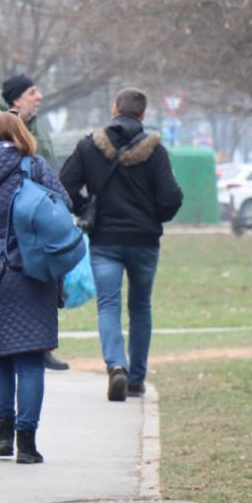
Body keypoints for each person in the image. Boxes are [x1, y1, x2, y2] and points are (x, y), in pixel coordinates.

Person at [0, 112, 72, 464]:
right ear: (20, 133)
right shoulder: (34, 165)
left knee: (1, 357)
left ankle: (2, 437)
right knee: (31, 360)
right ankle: (27, 443)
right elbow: (64, 208)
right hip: (31, 268)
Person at [59, 88, 184, 402]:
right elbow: (171, 197)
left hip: (105, 240)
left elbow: (64, 185)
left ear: (114, 110)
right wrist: (154, 215)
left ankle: (117, 366)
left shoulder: (89, 147)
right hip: (144, 241)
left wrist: (84, 207)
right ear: (142, 115)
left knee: (108, 306)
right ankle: (137, 379)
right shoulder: (156, 151)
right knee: (140, 307)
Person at [0, 74, 68, 372]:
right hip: (15, 223)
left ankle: (43, 345)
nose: (40, 97)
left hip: (43, 217)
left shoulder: (36, 126)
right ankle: (18, 347)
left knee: (47, 282)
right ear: (16, 100)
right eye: (33, 92)